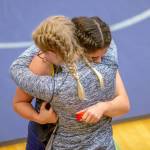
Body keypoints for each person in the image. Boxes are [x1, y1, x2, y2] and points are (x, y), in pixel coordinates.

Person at [10, 16, 130, 150]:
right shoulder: (43, 62)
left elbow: (124, 104)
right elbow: (19, 102)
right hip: (44, 136)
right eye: (94, 57)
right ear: (77, 47)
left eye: (104, 54)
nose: (99, 62)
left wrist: (102, 107)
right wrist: (39, 118)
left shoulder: (106, 63)